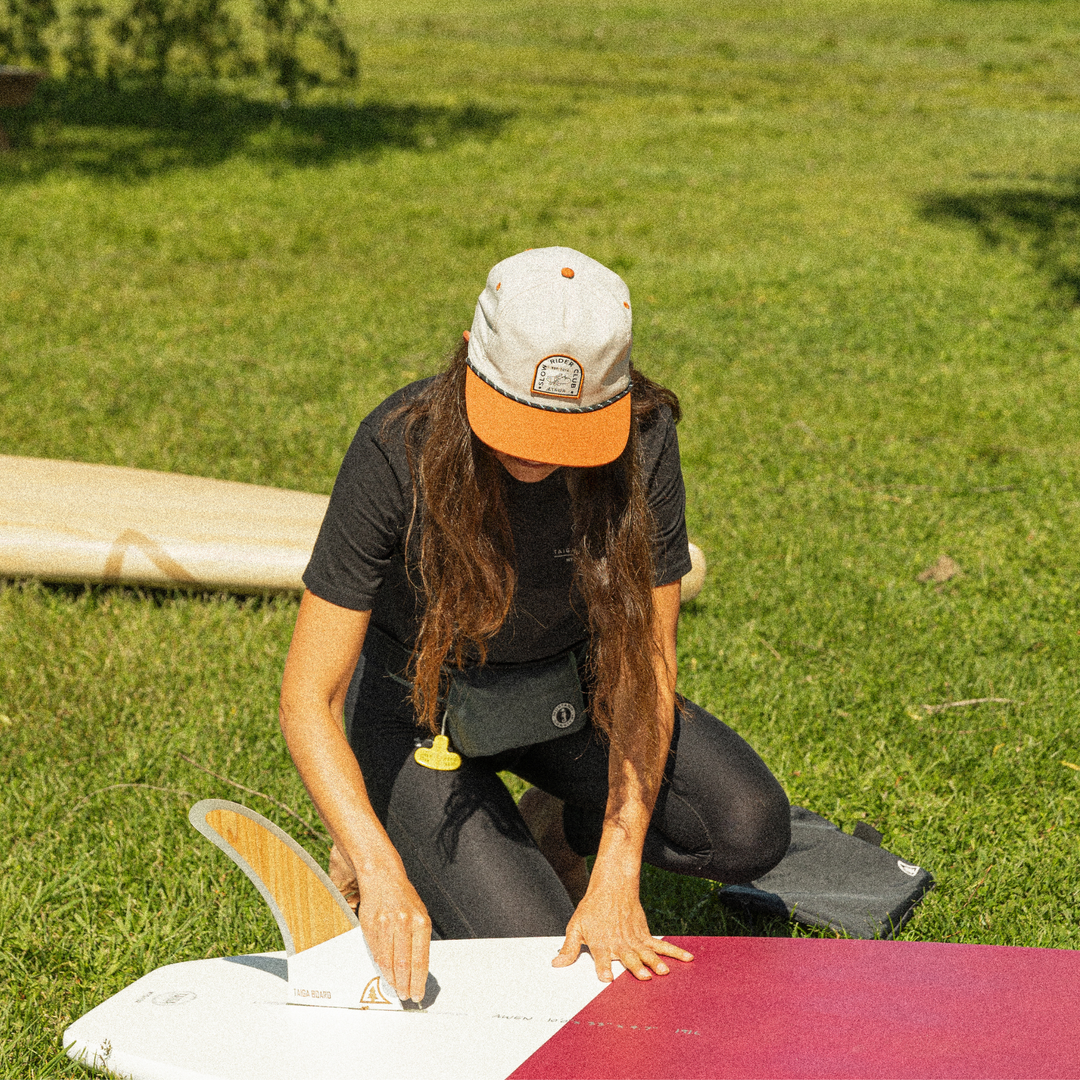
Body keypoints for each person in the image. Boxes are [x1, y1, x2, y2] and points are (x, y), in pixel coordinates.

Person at [279, 247, 790, 1004]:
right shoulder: (395, 448)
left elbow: (648, 666)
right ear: (466, 359)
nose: (533, 454)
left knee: (748, 827)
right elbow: (308, 699)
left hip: (568, 697)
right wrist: (380, 867)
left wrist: (620, 862)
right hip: (422, 722)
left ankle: (561, 819)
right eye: (514, 420)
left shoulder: (642, 443)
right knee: (542, 958)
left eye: (565, 432)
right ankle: (398, 840)